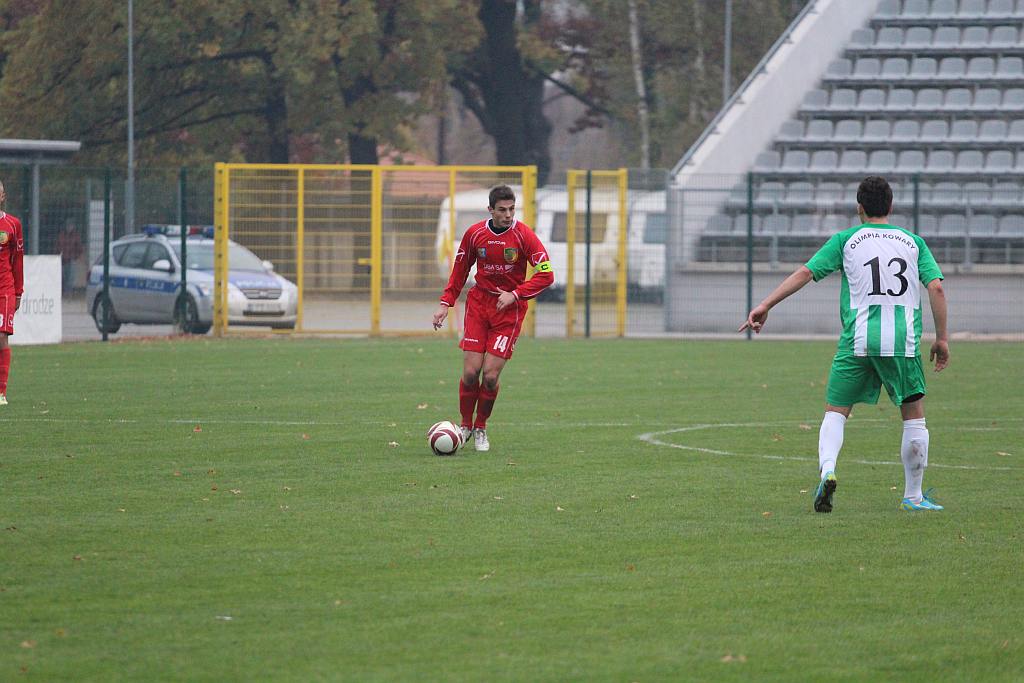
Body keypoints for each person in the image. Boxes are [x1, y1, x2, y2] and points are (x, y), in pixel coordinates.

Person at [739, 176, 949, 513]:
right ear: (891, 207)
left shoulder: (846, 240)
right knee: (913, 416)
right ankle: (913, 496)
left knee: (836, 412)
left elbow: (806, 273)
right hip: (902, 342)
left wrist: (766, 304)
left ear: (860, 208)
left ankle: (828, 470)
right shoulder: (913, 243)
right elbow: (936, 288)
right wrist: (941, 338)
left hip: (857, 340)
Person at [432, 185, 554, 451]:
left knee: (489, 376)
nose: (508, 215)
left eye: (512, 209)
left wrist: (516, 294)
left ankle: (481, 428)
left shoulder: (524, 236)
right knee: (470, 372)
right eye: (502, 210)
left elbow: (546, 275)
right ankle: (464, 425)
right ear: (491, 210)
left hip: (509, 312)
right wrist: (445, 303)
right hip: (479, 304)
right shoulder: (475, 234)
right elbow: (460, 270)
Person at [0, 180, 25, 406]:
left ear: (3, 196)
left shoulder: (13, 224)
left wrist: (18, 292)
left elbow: (17, 260)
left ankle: (1, 392)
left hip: (5, 289)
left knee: (1, 337)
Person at [56, 219, 84, 295]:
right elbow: (58, 246)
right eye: (68, 226)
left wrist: (75, 257)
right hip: (62, 259)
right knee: (62, 277)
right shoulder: (62, 235)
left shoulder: (76, 236)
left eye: (70, 226)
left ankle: (68, 293)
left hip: (71, 259)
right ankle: (63, 292)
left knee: (70, 277)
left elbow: (80, 248)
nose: (69, 227)